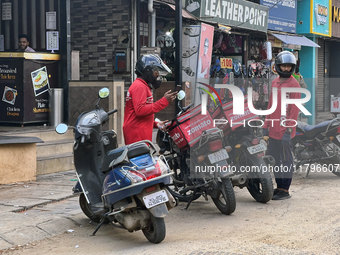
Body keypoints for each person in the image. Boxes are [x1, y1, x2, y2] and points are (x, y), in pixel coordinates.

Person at [262, 51, 301, 200]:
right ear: (278, 66)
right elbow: (271, 106)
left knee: (286, 161)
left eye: (288, 66)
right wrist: (266, 124)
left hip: (285, 131)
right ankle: (278, 187)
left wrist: (289, 130)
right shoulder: (274, 83)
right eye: (283, 66)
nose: (285, 69)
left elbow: (294, 111)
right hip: (273, 131)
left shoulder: (294, 84)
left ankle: (285, 190)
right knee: (274, 160)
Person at [123, 54, 177, 145]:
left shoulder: (143, 85)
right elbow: (140, 110)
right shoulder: (139, 86)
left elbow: (141, 114)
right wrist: (164, 101)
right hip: (137, 134)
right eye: (156, 71)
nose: (157, 74)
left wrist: (156, 124)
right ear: (148, 70)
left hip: (139, 131)